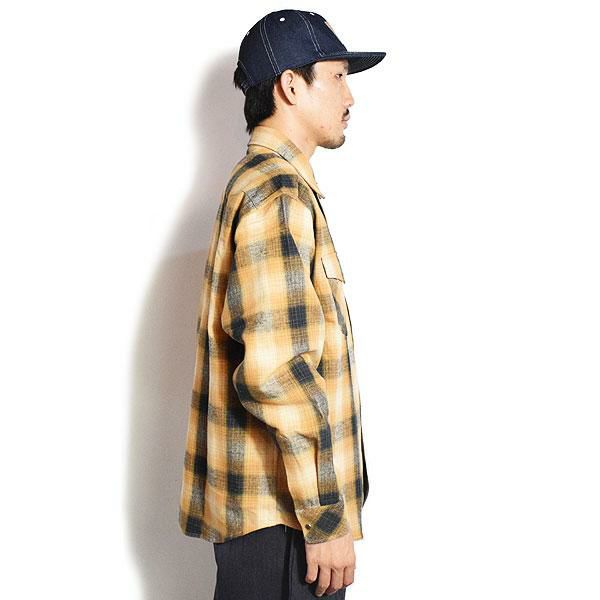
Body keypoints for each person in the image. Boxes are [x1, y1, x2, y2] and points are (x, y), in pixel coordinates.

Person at [178, 9, 386, 599]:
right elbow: (278, 373)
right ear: (290, 85)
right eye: (338, 76)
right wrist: (327, 518)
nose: (350, 95)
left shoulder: (265, 186)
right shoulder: (276, 193)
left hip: (276, 520)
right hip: (286, 523)